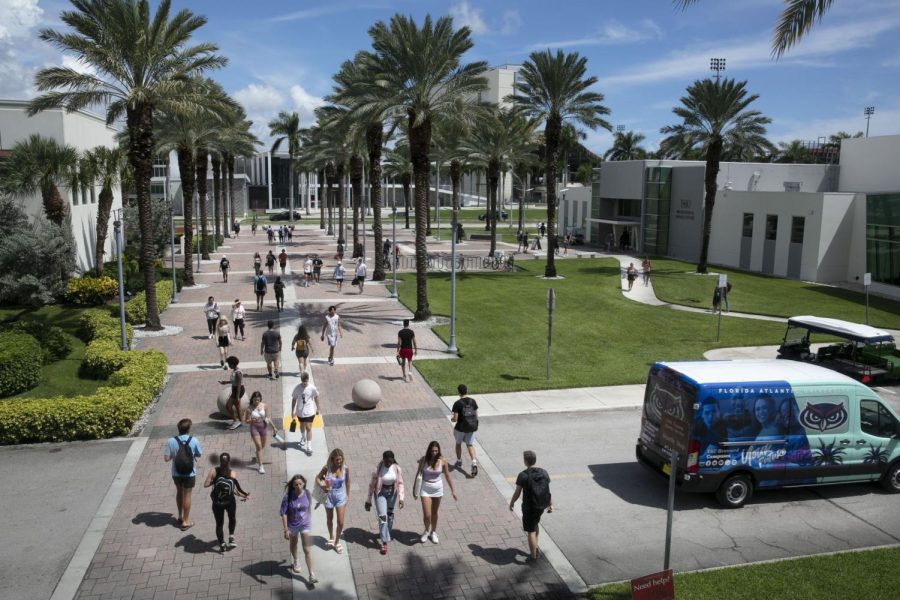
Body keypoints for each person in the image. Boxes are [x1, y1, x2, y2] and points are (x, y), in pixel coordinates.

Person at [509, 450, 553, 562]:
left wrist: (512, 502)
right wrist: (550, 504)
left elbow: (518, 492)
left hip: (529, 507)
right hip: (541, 506)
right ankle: (535, 547)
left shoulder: (523, 475)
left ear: (525, 461)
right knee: (535, 524)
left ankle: (533, 557)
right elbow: (547, 490)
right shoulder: (544, 472)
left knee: (531, 531)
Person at [412, 441, 457, 544]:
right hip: (425, 488)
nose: (434, 453)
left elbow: (447, 476)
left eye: (436, 451)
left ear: (439, 451)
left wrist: (453, 490)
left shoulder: (443, 461)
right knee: (427, 515)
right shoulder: (424, 460)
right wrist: (414, 487)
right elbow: (418, 473)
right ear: (429, 451)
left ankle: (433, 532)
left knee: (434, 513)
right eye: (432, 451)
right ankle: (427, 530)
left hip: (437, 489)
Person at [203, 452, 249, 552]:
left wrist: (214, 481)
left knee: (219, 523)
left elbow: (205, 485)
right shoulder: (232, 473)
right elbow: (232, 489)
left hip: (217, 502)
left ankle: (222, 544)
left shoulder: (213, 471)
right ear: (229, 461)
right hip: (230, 501)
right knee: (232, 518)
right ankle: (231, 537)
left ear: (220, 461)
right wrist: (243, 495)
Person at [164, 418, 203, 531]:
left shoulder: (171, 441)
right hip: (189, 473)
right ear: (189, 429)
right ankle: (186, 521)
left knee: (179, 492)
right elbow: (199, 454)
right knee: (187, 495)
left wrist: (175, 456)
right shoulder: (194, 440)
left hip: (176, 472)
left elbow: (166, 458)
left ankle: (180, 516)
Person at [365, 450, 405, 555]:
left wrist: (401, 498)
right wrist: (368, 500)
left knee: (389, 515)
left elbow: (400, 483)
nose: (388, 464)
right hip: (380, 493)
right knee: (383, 517)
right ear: (383, 460)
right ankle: (384, 542)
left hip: (392, 493)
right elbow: (372, 485)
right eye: (386, 462)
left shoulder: (396, 468)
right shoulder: (378, 469)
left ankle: (386, 533)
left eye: (390, 462)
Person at [280, 475, 317, 582]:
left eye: (300, 484)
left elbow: (308, 507)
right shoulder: (288, 496)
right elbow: (283, 513)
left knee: (307, 549)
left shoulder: (308, 493)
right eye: (296, 484)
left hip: (305, 525)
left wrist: (308, 519)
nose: (298, 486)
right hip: (292, 526)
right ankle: (296, 560)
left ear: (304, 483)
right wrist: (286, 529)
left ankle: (311, 575)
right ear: (293, 485)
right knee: (293, 544)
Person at [316, 449, 350, 554]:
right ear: (332, 459)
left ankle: (337, 541)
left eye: (340, 460)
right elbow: (318, 478)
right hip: (329, 496)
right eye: (337, 460)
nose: (339, 462)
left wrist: (348, 495)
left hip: (340, 496)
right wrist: (321, 485)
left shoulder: (345, 468)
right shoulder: (327, 468)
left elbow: (348, 482)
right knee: (329, 518)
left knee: (340, 522)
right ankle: (331, 536)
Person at [243, 391, 280, 473]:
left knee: (262, 446)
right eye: (255, 400)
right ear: (252, 399)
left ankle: (257, 454)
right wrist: (251, 420)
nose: (256, 401)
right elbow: (246, 420)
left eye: (258, 400)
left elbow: (268, 418)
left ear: (260, 399)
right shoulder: (249, 409)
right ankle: (261, 466)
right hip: (254, 428)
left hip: (263, 427)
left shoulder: (265, 406)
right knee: (259, 446)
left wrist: (274, 427)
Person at [451, 384, 479, 476]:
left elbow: (455, 418)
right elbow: (476, 415)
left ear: (458, 392)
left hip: (460, 428)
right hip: (471, 428)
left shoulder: (457, 403)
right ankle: (474, 463)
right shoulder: (473, 401)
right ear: (467, 391)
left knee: (458, 444)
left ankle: (459, 462)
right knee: (470, 445)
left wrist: (452, 419)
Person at [291, 372, 320, 455]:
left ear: (308, 380)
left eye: (306, 381)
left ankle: (309, 446)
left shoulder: (312, 388)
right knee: (302, 425)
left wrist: (318, 408)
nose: (305, 383)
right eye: (303, 381)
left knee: (308, 427)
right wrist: (292, 411)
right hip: (300, 411)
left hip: (309, 412)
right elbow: (294, 399)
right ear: (301, 380)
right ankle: (303, 437)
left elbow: (316, 397)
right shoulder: (297, 388)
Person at [225, 356, 244, 430]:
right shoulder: (234, 370)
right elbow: (234, 381)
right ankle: (238, 421)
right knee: (236, 406)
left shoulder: (238, 373)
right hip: (235, 390)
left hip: (238, 390)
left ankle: (237, 421)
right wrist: (225, 382)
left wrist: (237, 396)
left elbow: (239, 385)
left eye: (229, 364)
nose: (228, 365)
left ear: (233, 364)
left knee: (229, 406)